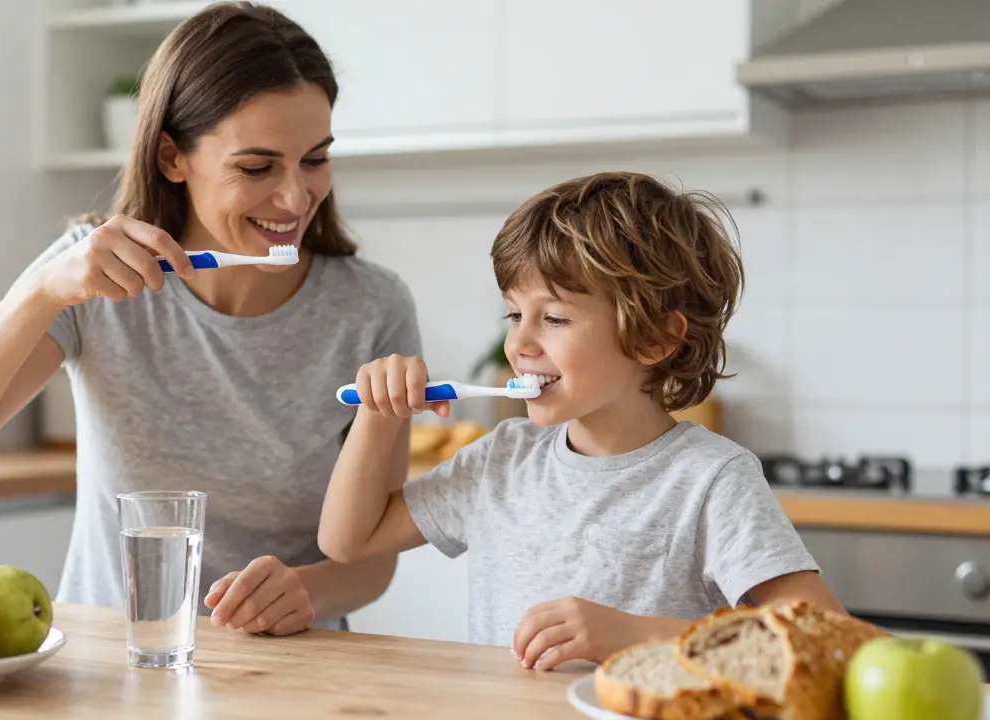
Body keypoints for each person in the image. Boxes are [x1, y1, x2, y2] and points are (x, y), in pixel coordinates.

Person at [0, 2, 421, 636]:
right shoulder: (91, 279)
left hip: (288, 674)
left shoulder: (370, 309)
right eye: (256, 166)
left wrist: (302, 591)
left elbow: (371, 562)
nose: (295, 197)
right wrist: (40, 294)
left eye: (315, 159)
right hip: (111, 664)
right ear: (172, 157)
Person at [318, 171, 844, 668]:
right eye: (514, 314)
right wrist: (378, 416)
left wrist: (633, 635)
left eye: (554, 318)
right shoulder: (502, 460)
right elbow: (347, 542)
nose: (519, 343)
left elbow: (820, 635)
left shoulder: (710, 480)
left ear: (655, 338)